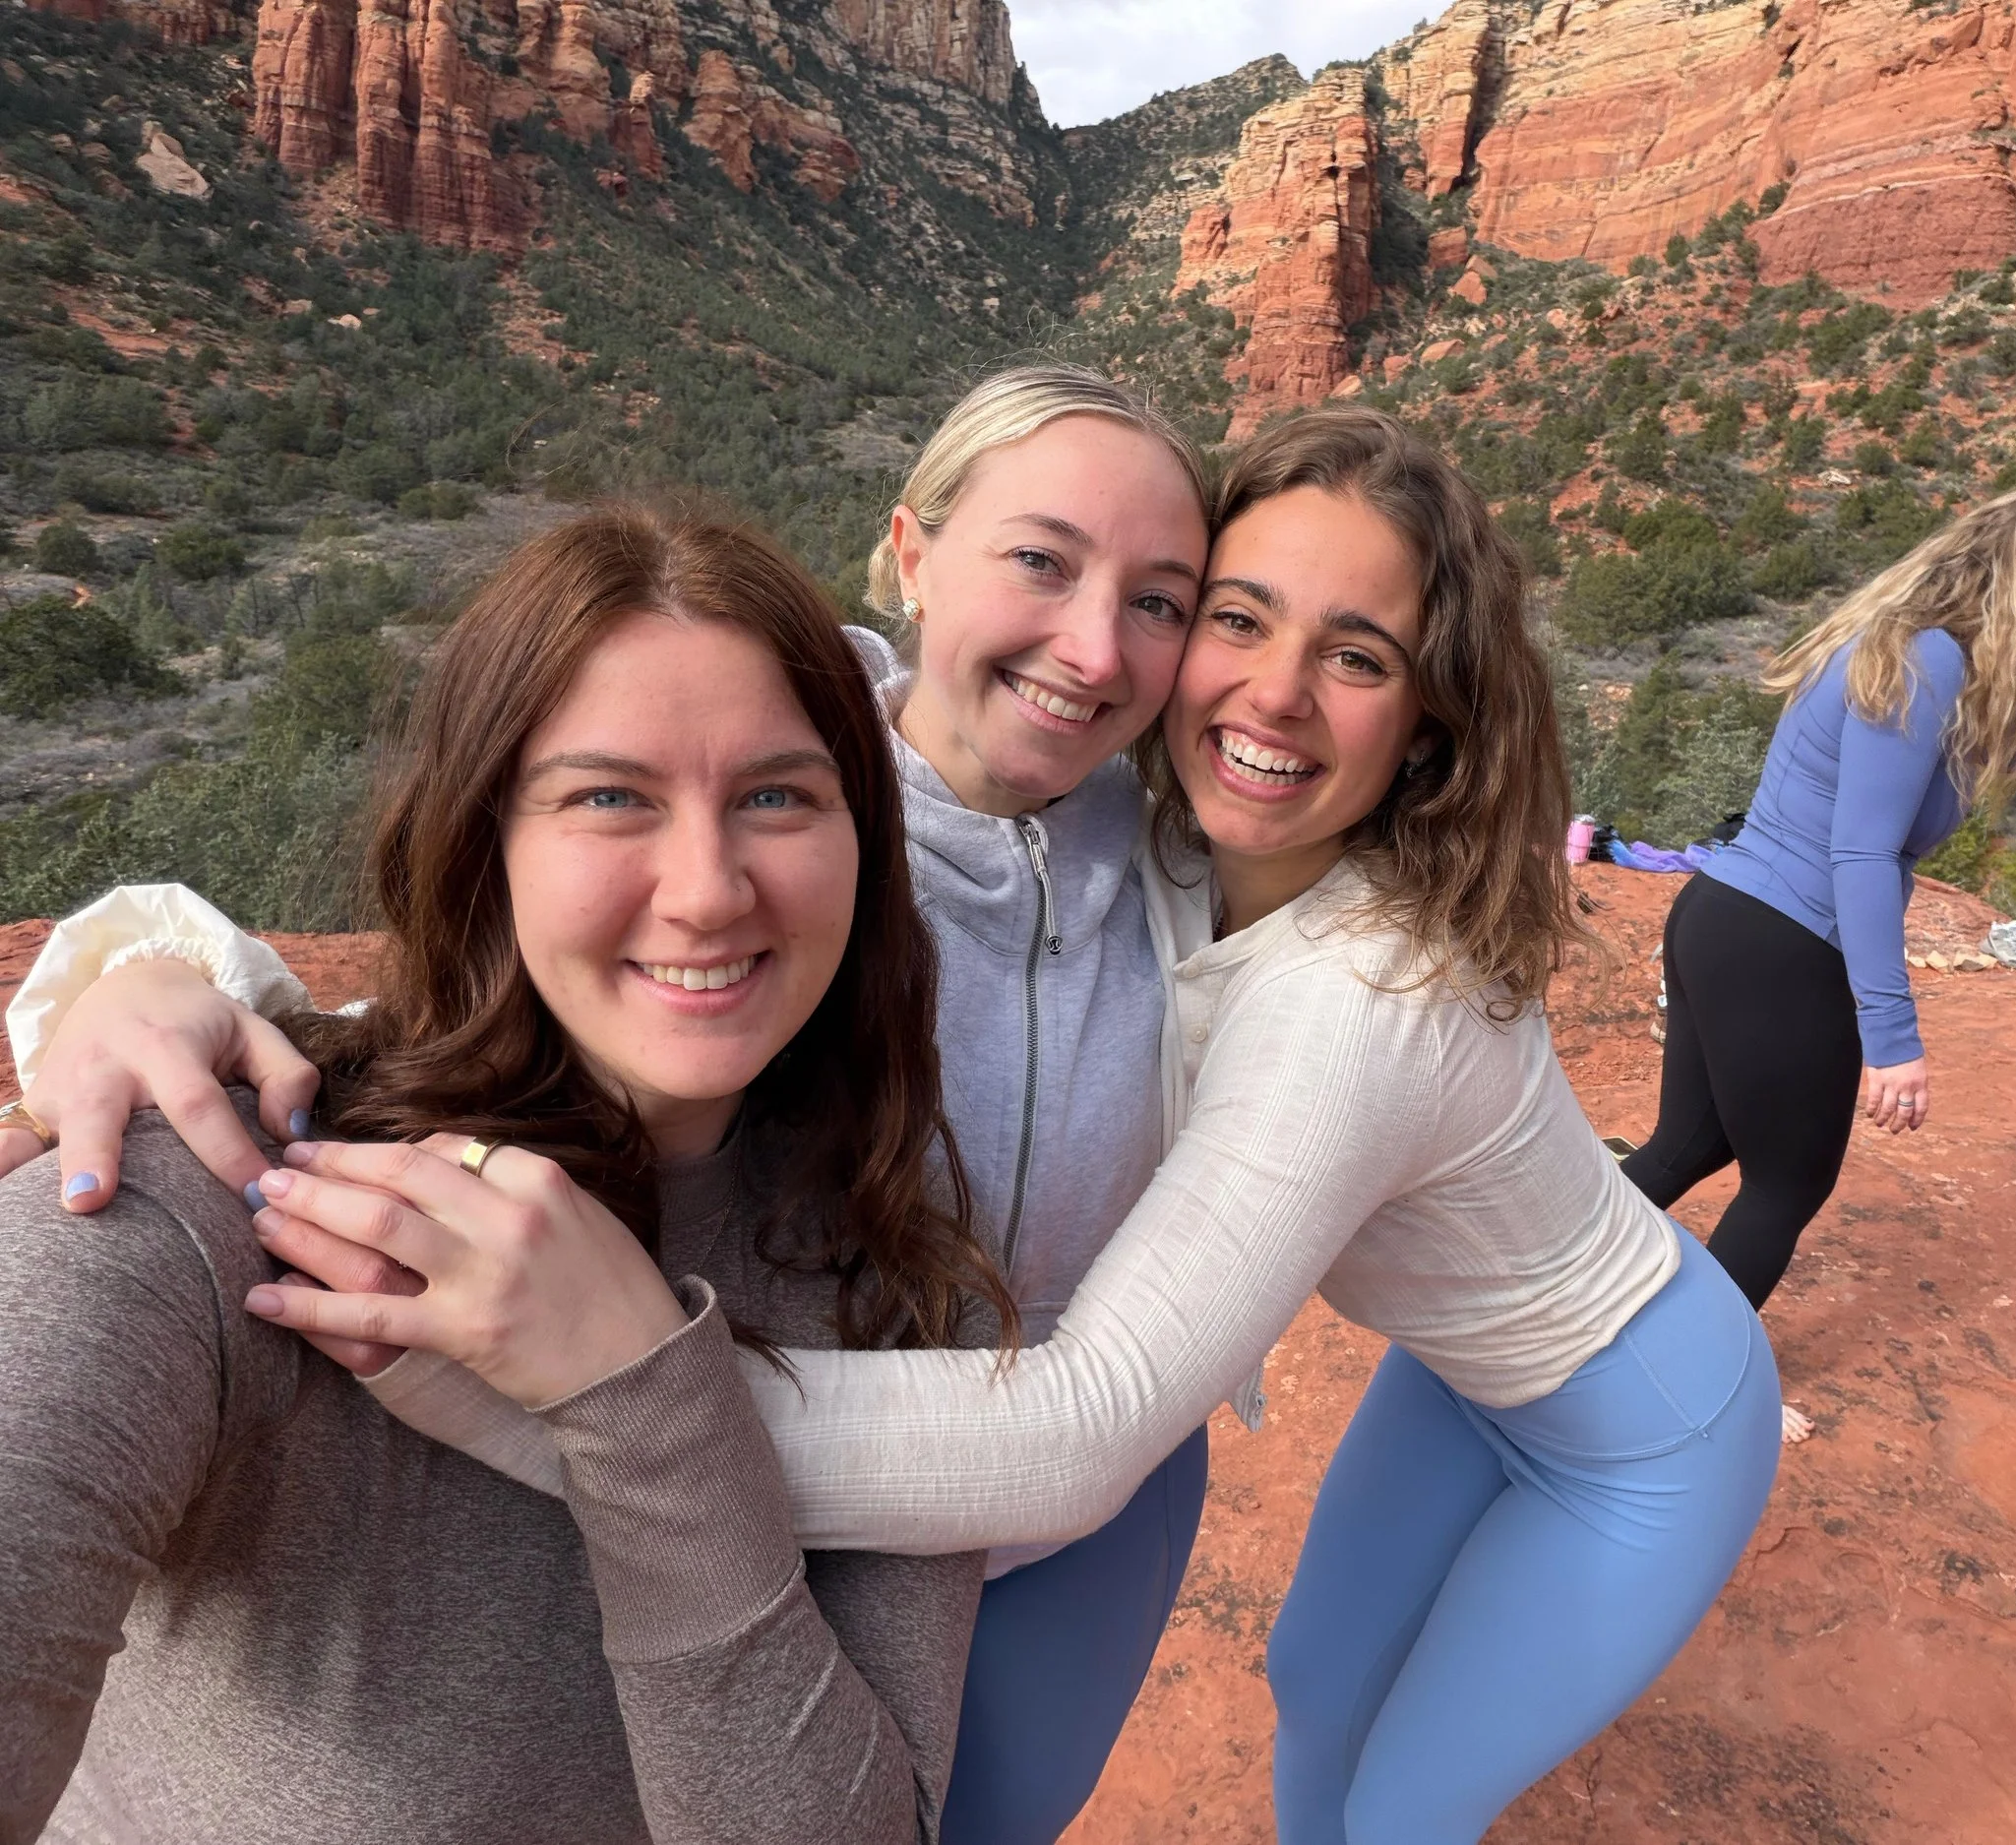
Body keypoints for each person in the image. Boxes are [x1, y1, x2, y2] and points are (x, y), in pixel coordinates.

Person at [205, 408, 1783, 1843]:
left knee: (1400, 1809)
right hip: (1463, 1364)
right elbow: (718, 713)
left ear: (1428, 720)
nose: (1271, 691)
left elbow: (1075, 1429)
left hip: (1642, 1422)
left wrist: (557, 1397)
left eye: (1359, 655)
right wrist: (155, 967)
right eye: (1233, 617)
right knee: (1316, 1677)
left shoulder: (1366, 1001)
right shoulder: (1133, 801)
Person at [0, 366, 1217, 1845]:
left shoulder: (913, 1264)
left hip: (1009, 1475)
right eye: (605, 797)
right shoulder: (215, 1203)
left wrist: (645, 1380)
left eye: (778, 796)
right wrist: (135, 972)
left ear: (855, 837)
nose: (708, 889)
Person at [1618, 484, 2016, 1334]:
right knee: (1786, 1185)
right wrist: (1892, 1039)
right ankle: (1681, 1386)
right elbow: (1861, 855)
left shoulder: (1922, 649)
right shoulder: (1927, 659)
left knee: (1690, 1143)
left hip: (1724, 919)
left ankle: (1543, 1297)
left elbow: (2012, 751)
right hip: (1787, 945)